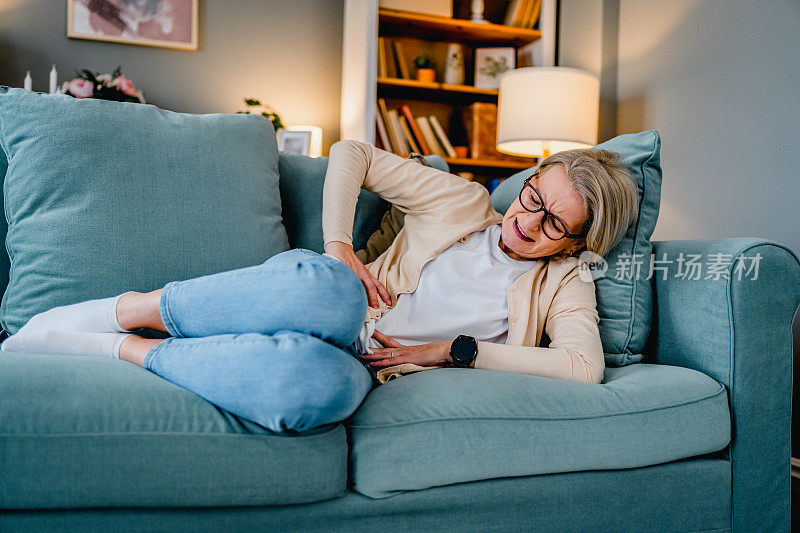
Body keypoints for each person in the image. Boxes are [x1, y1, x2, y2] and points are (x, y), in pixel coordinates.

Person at [0, 140, 639, 433]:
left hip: (372, 366)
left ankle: (125, 348)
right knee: (328, 292)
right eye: (531, 196)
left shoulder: (566, 281)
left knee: (308, 391)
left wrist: (452, 351)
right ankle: (120, 310)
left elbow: (583, 367)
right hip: (327, 298)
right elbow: (351, 152)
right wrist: (340, 248)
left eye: (553, 222)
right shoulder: (463, 201)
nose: (525, 221)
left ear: (579, 242)